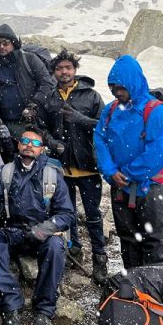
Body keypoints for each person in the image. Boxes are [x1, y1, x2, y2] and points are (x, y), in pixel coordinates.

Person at [0, 126, 75, 325]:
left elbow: (66, 214)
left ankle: (43, 309)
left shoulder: (52, 175)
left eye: (35, 144)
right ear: (18, 144)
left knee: (55, 246)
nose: (29, 146)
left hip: (41, 233)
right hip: (12, 230)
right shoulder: (4, 172)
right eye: (25, 141)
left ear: (42, 149)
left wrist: (42, 230)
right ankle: (11, 303)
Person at [94, 55, 163, 269]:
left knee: (154, 242)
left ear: (133, 83)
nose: (116, 93)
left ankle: (153, 292)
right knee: (128, 240)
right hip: (120, 186)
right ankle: (133, 288)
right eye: (112, 88)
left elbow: (160, 151)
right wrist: (110, 171)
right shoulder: (110, 110)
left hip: (152, 188)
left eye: (120, 88)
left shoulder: (158, 111)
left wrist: (128, 173)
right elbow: (100, 139)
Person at [37, 49, 107, 284]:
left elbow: (105, 126)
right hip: (61, 168)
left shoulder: (92, 96)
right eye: (59, 68)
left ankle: (100, 258)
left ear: (75, 70)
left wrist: (80, 120)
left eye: (68, 68)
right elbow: (41, 128)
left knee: (93, 214)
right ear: (54, 72)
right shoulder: (50, 98)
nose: (64, 72)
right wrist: (52, 142)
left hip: (88, 166)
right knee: (67, 213)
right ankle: (74, 248)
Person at [0, 24, 55, 137]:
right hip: (6, 122)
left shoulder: (29, 59)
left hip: (32, 120)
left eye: (5, 43)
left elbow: (46, 83)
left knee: (32, 150)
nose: (1, 46)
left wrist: (34, 106)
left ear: (13, 42)